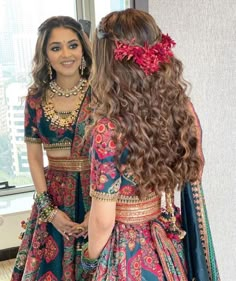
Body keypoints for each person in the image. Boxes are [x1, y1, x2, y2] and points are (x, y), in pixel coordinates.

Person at [81, 8, 220, 281]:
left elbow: (102, 220)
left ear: (107, 61)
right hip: (164, 240)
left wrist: (88, 260)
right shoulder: (178, 110)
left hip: (123, 250)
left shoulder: (108, 130)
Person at [11, 16, 92, 281]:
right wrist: (50, 211)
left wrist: (100, 209)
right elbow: (34, 158)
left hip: (98, 192)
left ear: (83, 48)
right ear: (45, 54)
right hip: (54, 197)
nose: (66, 54)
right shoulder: (35, 99)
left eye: (73, 45)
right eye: (56, 48)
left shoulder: (103, 93)